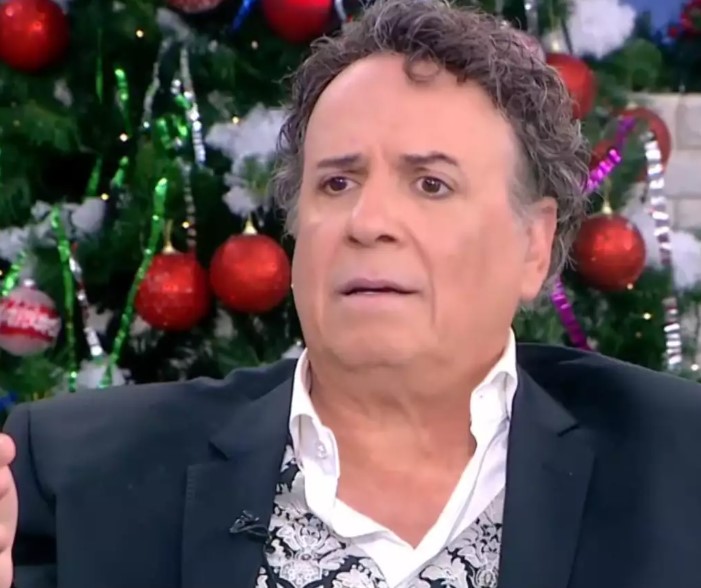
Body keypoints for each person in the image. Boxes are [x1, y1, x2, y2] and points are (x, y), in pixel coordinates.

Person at [1, 0, 701, 586]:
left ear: (533, 244)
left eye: (431, 184)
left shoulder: (677, 466)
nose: (367, 222)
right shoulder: (76, 477)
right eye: (337, 182)